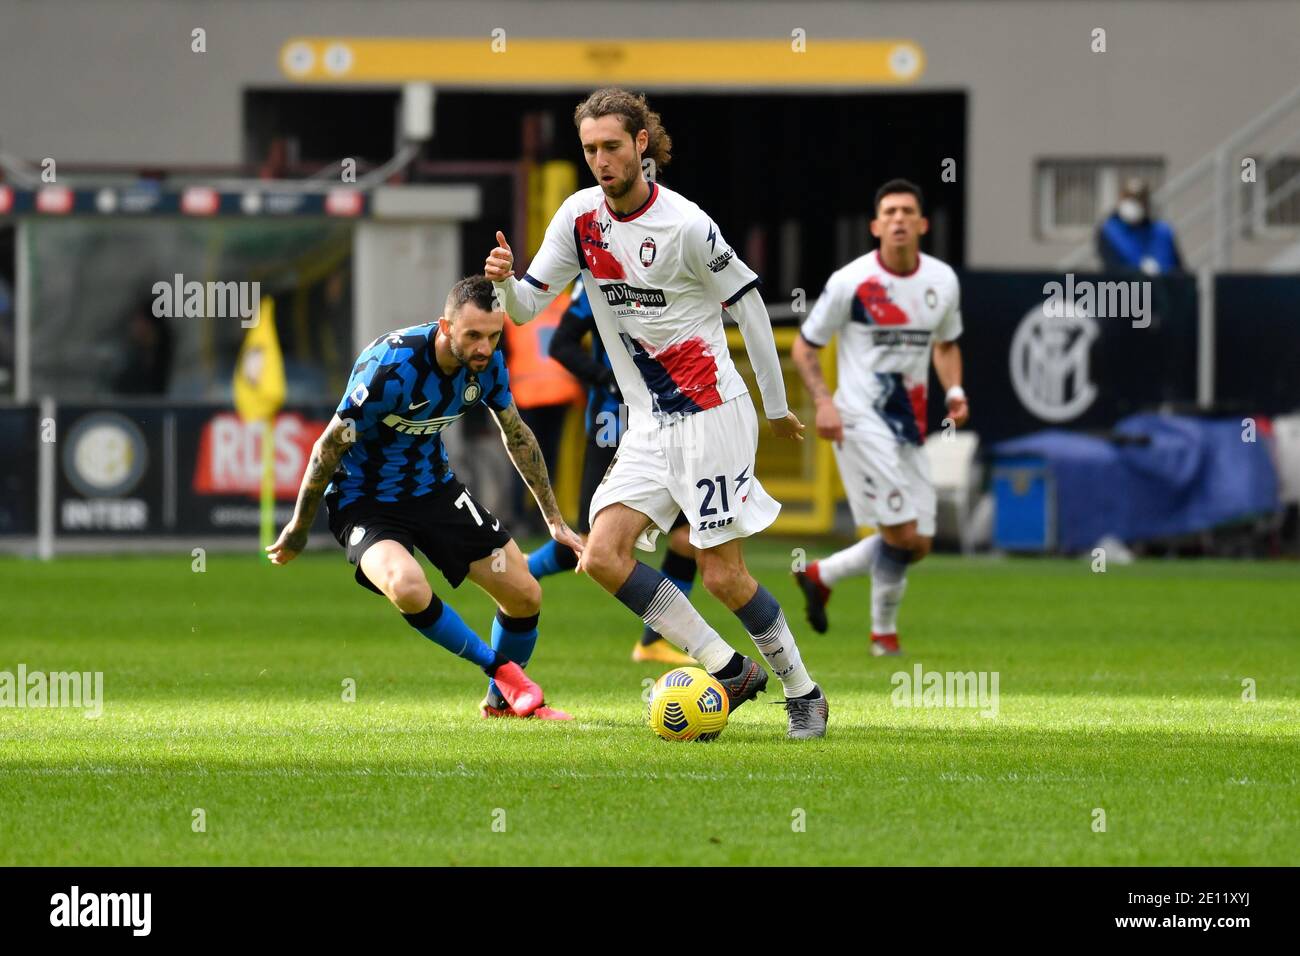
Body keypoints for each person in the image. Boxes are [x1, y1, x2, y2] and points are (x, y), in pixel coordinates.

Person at [485, 87, 828, 739]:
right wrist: (504, 280)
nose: (601, 161)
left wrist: (777, 406)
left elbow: (751, 307)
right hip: (649, 425)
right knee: (602, 557)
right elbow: (528, 309)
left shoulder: (687, 226)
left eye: (612, 146)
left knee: (723, 575)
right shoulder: (580, 218)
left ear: (642, 144)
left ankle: (804, 693)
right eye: (590, 150)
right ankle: (728, 668)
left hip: (710, 415)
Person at [266, 275, 583, 720]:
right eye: (473, 335)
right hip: (363, 500)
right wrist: (299, 527)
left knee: (525, 594)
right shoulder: (391, 368)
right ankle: (503, 672)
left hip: (434, 490)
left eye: (493, 336)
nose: (483, 348)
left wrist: (554, 519)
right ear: (445, 327)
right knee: (407, 585)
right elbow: (327, 447)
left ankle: (500, 704)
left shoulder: (487, 364)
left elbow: (517, 436)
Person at [790, 179, 969, 657]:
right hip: (859, 420)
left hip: (907, 424)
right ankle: (883, 637)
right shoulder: (851, 282)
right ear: (875, 225)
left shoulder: (942, 281)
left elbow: (947, 344)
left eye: (908, 211)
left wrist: (953, 389)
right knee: (901, 534)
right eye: (889, 212)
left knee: (921, 542)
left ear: (923, 223)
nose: (898, 219)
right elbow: (805, 345)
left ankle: (820, 574)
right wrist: (824, 403)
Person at [530, 277, 697, 665]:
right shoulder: (594, 284)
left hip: (665, 426)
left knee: (688, 537)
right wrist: (608, 379)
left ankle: (654, 641)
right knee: (590, 539)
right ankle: (521, 571)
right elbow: (561, 345)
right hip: (613, 425)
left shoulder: (672, 271)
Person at [1096, 178, 1183, 275]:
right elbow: (1111, 267)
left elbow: (1178, 268)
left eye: (1139, 200)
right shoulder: (1109, 231)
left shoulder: (1161, 231)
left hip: (1162, 287)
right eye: (1129, 199)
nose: (1133, 205)